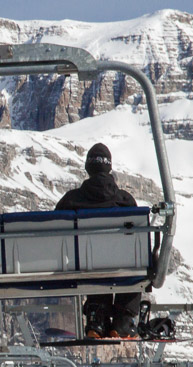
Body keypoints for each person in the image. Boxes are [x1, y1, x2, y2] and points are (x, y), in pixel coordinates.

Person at [55, 142, 142, 339]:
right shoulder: (125, 201)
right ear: (109, 167)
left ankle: (97, 319)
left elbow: (55, 231)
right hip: (121, 267)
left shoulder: (70, 200)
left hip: (84, 267)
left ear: (88, 168)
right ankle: (122, 321)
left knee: (93, 260)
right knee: (132, 263)